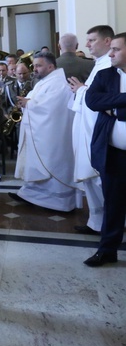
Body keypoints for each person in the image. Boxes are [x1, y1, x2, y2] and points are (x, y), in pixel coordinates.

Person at [12, 52, 78, 212]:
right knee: (39, 163)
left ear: (50, 66)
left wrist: (30, 104)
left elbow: (51, 108)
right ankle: (31, 194)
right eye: (34, 65)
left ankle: (59, 202)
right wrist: (27, 103)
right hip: (43, 131)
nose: (34, 69)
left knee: (51, 163)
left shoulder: (58, 83)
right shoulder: (47, 81)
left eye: (38, 65)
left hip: (52, 135)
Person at [83, 32, 126, 266]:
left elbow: (105, 104)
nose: (111, 53)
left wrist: (115, 107)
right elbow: (92, 101)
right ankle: (107, 249)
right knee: (113, 203)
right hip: (114, 153)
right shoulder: (105, 74)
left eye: (116, 49)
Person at [68, 25, 114, 235]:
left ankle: (110, 223)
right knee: (92, 181)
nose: (87, 45)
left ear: (107, 41)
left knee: (100, 179)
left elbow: (102, 99)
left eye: (92, 40)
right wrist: (82, 90)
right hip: (87, 128)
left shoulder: (109, 65)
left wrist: (81, 90)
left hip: (97, 130)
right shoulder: (98, 64)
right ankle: (96, 222)